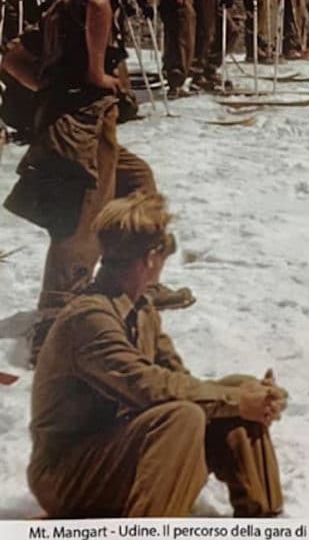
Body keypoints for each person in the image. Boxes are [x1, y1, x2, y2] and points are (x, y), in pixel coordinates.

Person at [2, 0, 193, 364]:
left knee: (137, 183)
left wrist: (50, 90)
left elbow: (12, 55)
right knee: (80, 223)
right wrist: (92, 74)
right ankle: (53, 329)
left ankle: (130, 280)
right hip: (81, 129)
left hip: (87, 126)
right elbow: (100, 5)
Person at [28, 191, 287, 518]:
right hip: (66, 475)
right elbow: (146, 387)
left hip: (115, 453)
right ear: (151, 257)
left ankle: (263, 522)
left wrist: (251, 397)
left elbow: (179, 382)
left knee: (234, 389)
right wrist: (237, 400)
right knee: (185, 416)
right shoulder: (90, 318)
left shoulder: (141, 309)